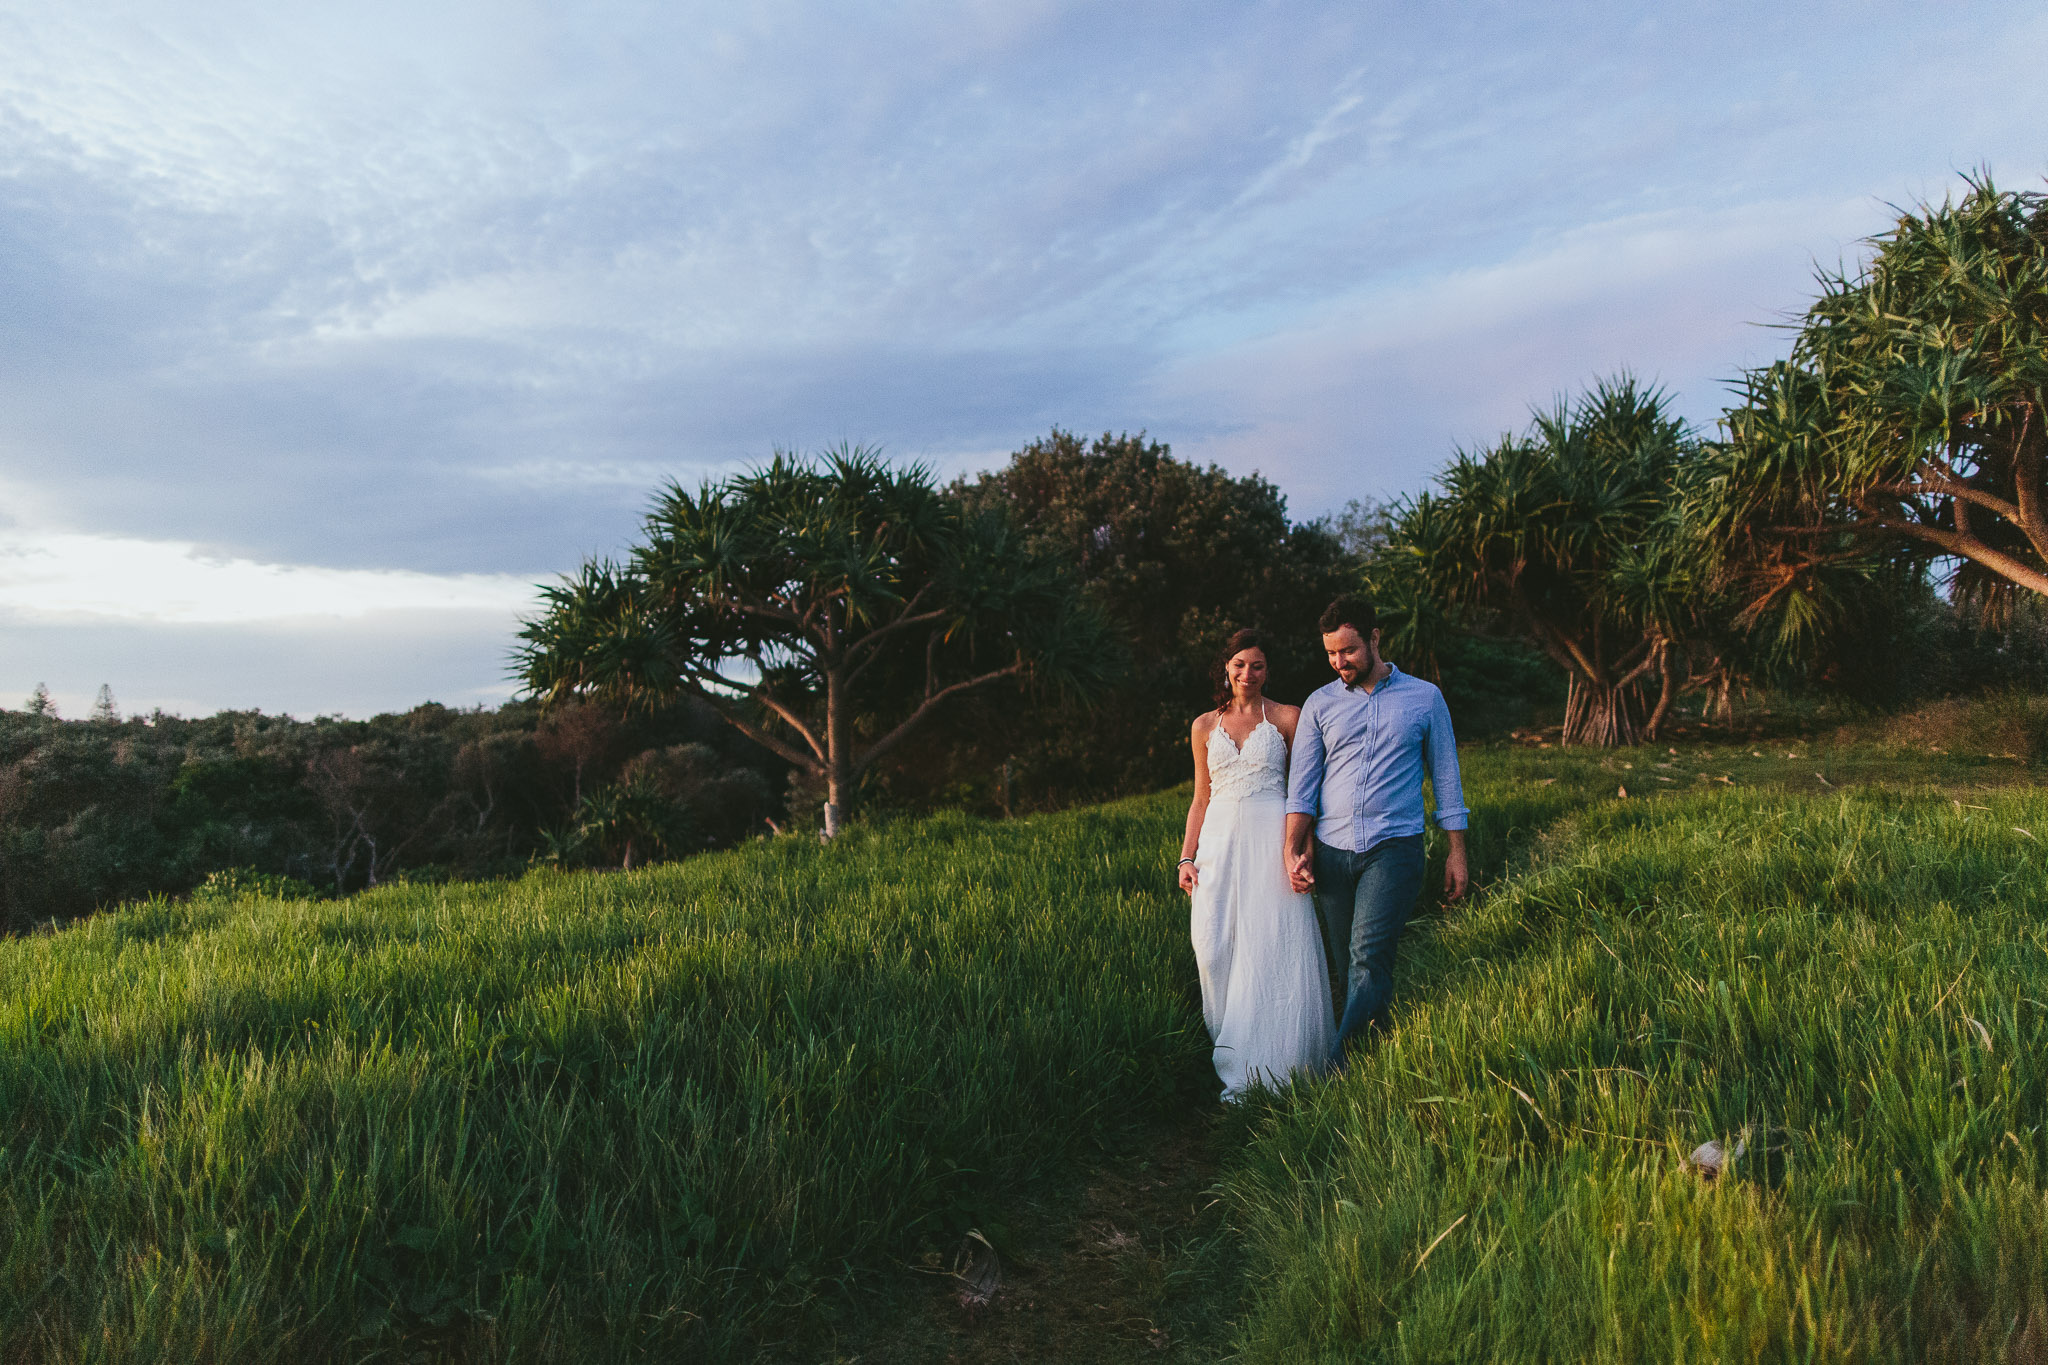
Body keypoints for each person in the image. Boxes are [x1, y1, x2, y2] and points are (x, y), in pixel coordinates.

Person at [1285, 596, 1469, 1064]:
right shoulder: (1319, 704)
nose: (1339, 662)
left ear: (1374, 638)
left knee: (1368, 958)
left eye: (1347, 651)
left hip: (1394, 849)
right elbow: (1302, 787)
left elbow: (1447, 778)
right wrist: (1294, 848)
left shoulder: (1425, 698)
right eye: (1330, 653)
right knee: (1350, 969)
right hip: (1331, 852)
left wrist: (1456, 852)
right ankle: (1374, 1062)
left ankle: (1335, 1071)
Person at [1177, 629, 1335, 1101]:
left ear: (1269, 670)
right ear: (1225, 668)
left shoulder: (1289, 717)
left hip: (1271, 838)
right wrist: (1187, 856)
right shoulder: (1204, 725)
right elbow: (1200, 797)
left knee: (1272, 941)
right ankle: (1231, 1046)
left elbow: (1306, 790)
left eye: (1258, 665)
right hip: (1219, 844)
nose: (1248, 673)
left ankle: (1281, 1059)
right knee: (1214, 943)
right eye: (1240, 664)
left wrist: (1302, 848)